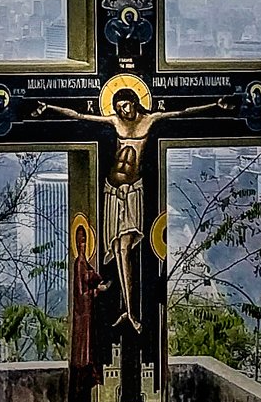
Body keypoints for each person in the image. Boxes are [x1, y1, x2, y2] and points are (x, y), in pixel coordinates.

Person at [33, 88, 230, 331]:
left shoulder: (150, 120)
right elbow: (79, 116)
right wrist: (49, 108)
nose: (123, 111)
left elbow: (182, 112)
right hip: (111, 192)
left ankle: (130, 310)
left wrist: (214, 105)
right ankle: (125, 309)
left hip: (133, 192)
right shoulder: (114, 121)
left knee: (124, 249)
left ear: (135, 103)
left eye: (126, 105)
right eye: (118, 107)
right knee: (116, 249)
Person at [67, 222, 110, 402]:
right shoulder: (79, 264)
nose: (83, 244)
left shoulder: (86, 262)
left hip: (92, 324)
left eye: (85, 241)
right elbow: (81, 294)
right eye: (80, 241)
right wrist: (98, 291)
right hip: (85, 323)